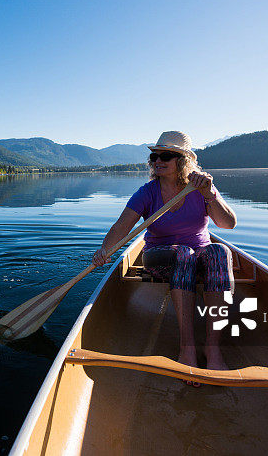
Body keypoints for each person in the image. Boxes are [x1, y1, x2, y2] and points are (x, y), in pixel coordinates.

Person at [92, 131, 237, 385]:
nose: (158, 160)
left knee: (220, 251)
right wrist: (104, 250)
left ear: (183, 161)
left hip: (198, 257)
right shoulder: (147, 192)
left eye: (166, 156)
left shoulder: (201, 188)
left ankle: (213, 349)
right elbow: (121, 228)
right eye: (154, 155)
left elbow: (228, 224)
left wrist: (209, 193)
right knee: (183, 253)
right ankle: (187, 349)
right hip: (160, 257)